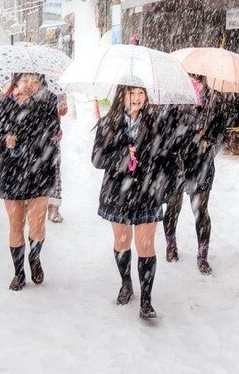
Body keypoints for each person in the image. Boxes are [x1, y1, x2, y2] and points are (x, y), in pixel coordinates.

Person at [92, 85, 173, 319]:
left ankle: (146, 301)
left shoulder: (156, 122)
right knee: (122, 240)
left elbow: (166, 156)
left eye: (141, 93)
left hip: (148, 192)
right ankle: (126, 283)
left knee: (146, 245)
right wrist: (122, 156)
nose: (137, 98)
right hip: (118, 193)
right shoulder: (108, 123)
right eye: (132, 93)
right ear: (122, 95)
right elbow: (97, 159)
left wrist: (148, 158)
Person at [0, 73, 60, 291]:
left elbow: (52, 131)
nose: (30, 85)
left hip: (39, 171)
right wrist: (4, 140)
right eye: (26, 80)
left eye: (35, 82)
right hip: (12, 172)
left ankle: (35, 258)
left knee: (37, 225)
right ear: (16, 82)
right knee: (16, 224)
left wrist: (30, 109)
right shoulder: (1, 103)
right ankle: (19, 272)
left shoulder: (47, 102)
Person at [163, 76, 226, 274]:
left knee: (201, 210)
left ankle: (202, 255)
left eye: (197, 77)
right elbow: (165, 131)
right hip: (178, 163)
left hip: (202, 165)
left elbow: (221, 132)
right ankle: (171, 245)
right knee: (173, 207)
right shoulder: (174, 100)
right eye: (190, 76)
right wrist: (185, 139)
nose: (194, 80)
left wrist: (208, 140)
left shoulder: (214, 101)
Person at [47, 93, 68, 223]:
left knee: (54, 172)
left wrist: (61, 100)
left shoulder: (56, 84)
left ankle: (53, 207)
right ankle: (31, 205)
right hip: (30, 138)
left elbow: (63, 110)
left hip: (52, 137)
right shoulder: (26, 84)